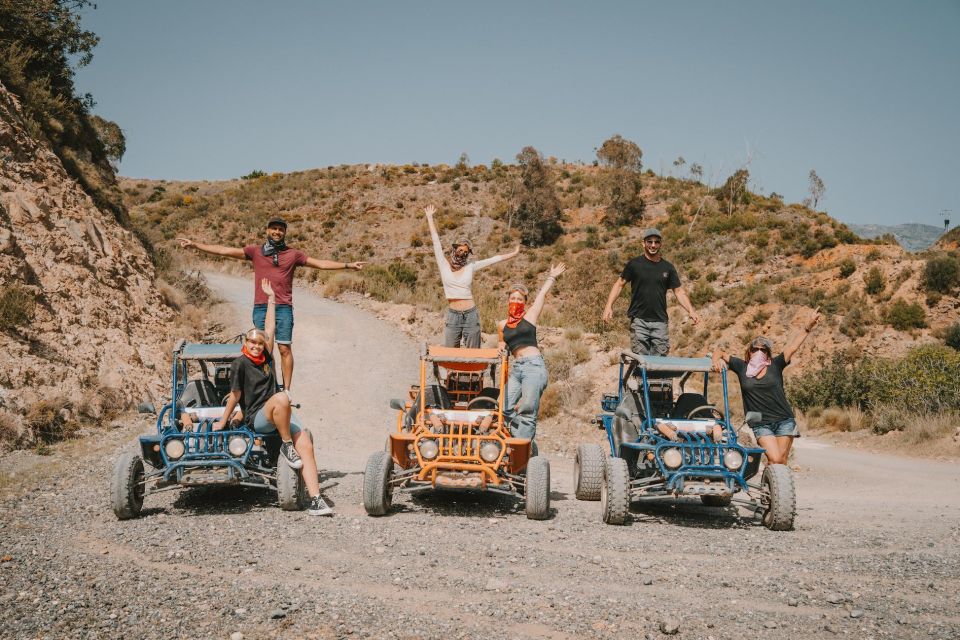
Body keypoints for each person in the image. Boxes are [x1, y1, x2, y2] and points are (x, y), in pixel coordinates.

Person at [178, 218, 365, 391]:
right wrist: (195, 245)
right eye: (274, 229)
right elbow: (224, 250)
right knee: (264, 349)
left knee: (284, 348)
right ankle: (269, 386)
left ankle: (287, 391)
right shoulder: (255, 252)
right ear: (267, 230)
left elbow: (321, 264)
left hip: (283, 307)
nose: (277, 232)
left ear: (284, 233)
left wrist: (348, 265)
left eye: (281, 229)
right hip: (261, 306)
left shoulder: (293, 254)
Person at [216, 279, 333, 516]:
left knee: (307, 445)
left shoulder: (267, 358)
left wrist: (270, 298)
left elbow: (269, 329)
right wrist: (222, 421)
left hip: (278, 413)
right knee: (282, 397)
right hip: (257, 417)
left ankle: (316, 499)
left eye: (260, 343)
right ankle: (286, 446)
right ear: (245, 343)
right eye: (252, 342)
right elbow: (236, 395)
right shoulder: (240, 363)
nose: (257, 346)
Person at [711, 310, 821, 465]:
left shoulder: (775, 365)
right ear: (749, 353)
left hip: (784, 420)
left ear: (768, 354)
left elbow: (793, 347)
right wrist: (715, 361)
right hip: (760, 423)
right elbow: (719, 351)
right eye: (755, 349)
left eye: (763, 349)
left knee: (781, 462)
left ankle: (772, 487)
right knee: (774, 458)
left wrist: (807, 327)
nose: (759, 351)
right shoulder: (741, 367)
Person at [425, 205, 520, 347]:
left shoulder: (471, 266)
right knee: (450, 352)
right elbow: (436, 242)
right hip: (453, 314)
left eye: (466, 251)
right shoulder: (443, 264)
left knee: (473, 352)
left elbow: (493, 259)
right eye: (460, 249)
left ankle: (472, 371)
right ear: (455, 249)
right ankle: (453, 371)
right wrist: (430, 217)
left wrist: (514, 253)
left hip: (470, 313)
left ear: (468, 254)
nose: (463, 252)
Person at [601, 228, 700, 356]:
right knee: (641, 363)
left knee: (659, 364)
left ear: (660, 244)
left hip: (660, 322)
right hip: (639, 321)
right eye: (650, 241)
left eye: (656, 242)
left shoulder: (668, 267)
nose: (653, 245)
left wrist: (691, 310)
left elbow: (679, 291)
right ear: (643, 243)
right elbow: (619, 284)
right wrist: (608, 306)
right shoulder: (634, 264)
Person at [496, 263, 566, 441]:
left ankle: (521, 452)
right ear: (508, 300)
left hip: (533, 366)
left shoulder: (530, 316)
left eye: (520, 299)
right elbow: (500, 346)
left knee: (527, 409)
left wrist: (552, 277)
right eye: (513, 298)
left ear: (525, 302)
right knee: (502, 408)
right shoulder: (502, 325)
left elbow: (542, 295)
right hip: (517, 369)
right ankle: (516, 438)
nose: (516, 302)